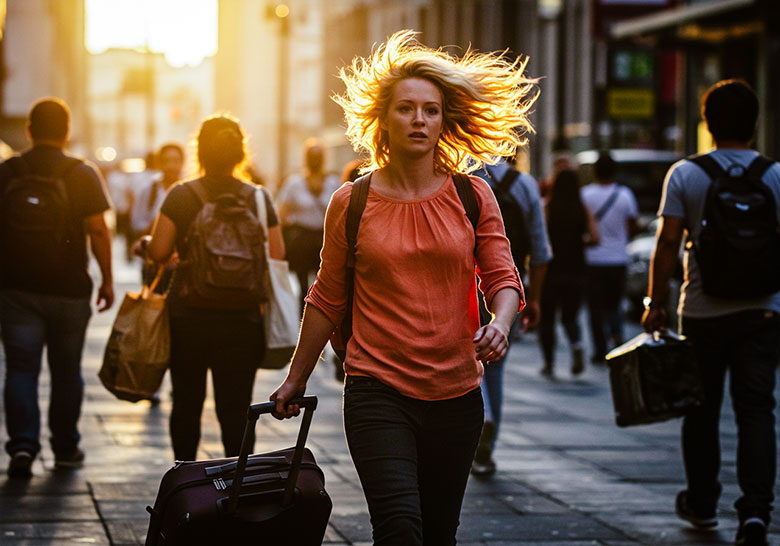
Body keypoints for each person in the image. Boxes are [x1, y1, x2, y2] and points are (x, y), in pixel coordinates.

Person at [269, 30, 533, 545]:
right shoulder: (353, 201)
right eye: (407, 108)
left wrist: (500, 323)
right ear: (383, 119)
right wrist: (295, 378)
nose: (419, 120)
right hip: (376, 390)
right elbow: (326, 297)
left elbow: (503, 277)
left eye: (430, 110)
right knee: (399, 531)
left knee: (438, 535)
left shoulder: (472, 195)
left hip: (457, 395)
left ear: (443, 120)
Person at [643, 79, 780, 546]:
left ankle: (702, 504)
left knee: (700, 410)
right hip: (763, 311)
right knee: (757, 410)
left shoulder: (686, 173)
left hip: (702, 311)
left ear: (707, 122)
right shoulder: (775, 175)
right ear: (755, 124)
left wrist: (655, 303)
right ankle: (757, 512)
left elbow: (666, 243)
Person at [137, 114, 285, 461]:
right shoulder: (259, 198)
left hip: (189, 316)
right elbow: (277, 256)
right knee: (235, 408)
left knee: (186, 402)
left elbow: (158, 252)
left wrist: (145, 244)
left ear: (199, 152)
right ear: (240, 153)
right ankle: (237, 486)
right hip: (243, 319)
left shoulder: (182, 195)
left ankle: (185, 480)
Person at [0, 97, 114, 477]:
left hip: (16, 288)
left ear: (30, 130)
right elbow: (99, 230)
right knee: (66, 371)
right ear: (67, 131)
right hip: (69, 290)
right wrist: (107, 280)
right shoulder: (81, 173)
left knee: (20, 368)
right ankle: (65, 446)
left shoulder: (9, 171)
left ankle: (22, 446)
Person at [470, 157, 551, 477]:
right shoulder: (525, 185)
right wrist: (535, 299)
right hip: (507, 289)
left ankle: (483, 417)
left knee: (463, 357)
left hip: (462, 282)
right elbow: (541, 251)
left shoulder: (458, 177)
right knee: (495, 365)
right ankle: (486, 450)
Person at [538, 168, 599, 377]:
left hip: (551, 271)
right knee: (570, 317)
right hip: (577, 270)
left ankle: (548, 363)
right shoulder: (582, 208)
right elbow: (595, 237)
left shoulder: (547, 207)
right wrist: (579, 241)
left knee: (547, 319)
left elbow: (539, 238)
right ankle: (576, 344)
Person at [580, 151, 639, 364]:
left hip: (593, 260)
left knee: (595, 308)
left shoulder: (585, 195)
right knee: (614, 305)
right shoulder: (625, 195)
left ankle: (599, 349)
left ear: (594, 171)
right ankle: (617, 339)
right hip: (618, 259)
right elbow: (633, 224)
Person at [275, 138, 340, 312]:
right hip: (301, 241)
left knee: (327, 283)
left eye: (318, 155)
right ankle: (302, 316)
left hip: (325, 239)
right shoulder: (294, 183)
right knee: (302, 283)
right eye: (312, 155)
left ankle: (323, 314)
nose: (315, 159)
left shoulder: (333, 182)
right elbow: (281, 213)